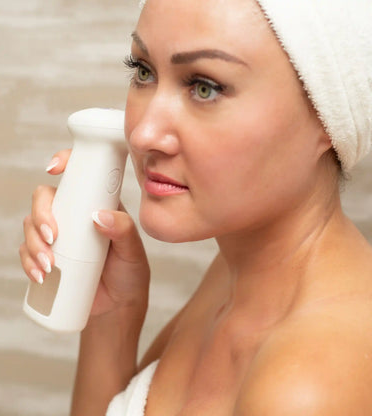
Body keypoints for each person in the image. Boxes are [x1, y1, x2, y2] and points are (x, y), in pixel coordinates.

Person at [19, 0, 372, 414]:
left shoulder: (307, 386)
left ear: (325, 116)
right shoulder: (239, 273)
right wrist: (112, 315)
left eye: (205, 87)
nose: (144, 132)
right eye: (143, 71)